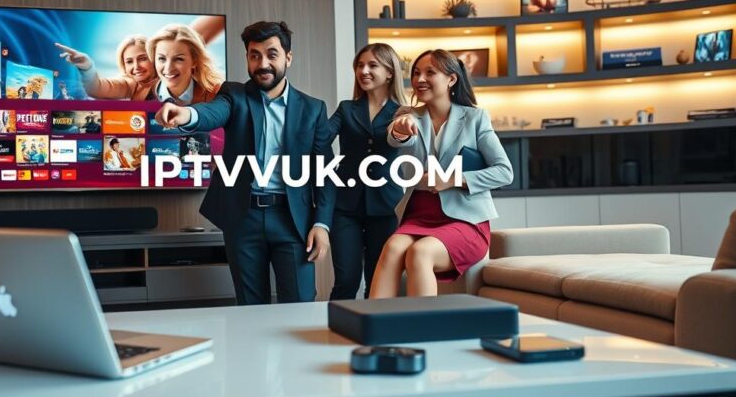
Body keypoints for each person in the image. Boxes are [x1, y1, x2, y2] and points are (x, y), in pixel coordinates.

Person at [155, 21, 335, 305]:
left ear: (288, 57)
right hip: (243, 217)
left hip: (292, 220)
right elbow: (212, 112)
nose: (263, 63)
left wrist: (322, 224)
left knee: (300, 303)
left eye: (271, 54)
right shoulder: (234, 95)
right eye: (254, 55)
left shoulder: (313, 109)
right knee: (250, 307)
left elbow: (324, 173)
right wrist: (185, 115)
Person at [369, 49, 513, 298]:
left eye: (429, 73)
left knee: (420, 253)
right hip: (419, 215)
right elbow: (395, 137)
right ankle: (371, 328)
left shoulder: (475, 118)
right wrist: (400, 130)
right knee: (392, 248)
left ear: (451, 79)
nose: (420, 79)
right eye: (415, 73)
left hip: (465, 221)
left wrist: (454, 179)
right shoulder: (408, 116)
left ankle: (423, 332)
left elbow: (504, 172)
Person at [326, 43, 407, 300]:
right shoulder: (346, 108)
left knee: (377, 282)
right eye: (360, 65)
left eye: (372, 65)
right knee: (346, 280)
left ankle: (375, 335)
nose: (364, 71)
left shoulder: (403, 113)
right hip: (344, 207)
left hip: (385, 207)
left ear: (390, 72)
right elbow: (320, 138)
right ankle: (336, 331)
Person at [57, 15, 225, 101]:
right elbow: (98, 88)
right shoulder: (131, 84)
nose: (136, 66)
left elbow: (196, 33)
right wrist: (87, 67)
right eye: (129, 61)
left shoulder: (174, 69)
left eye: (142, 58)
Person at [147, 24, 223, 105]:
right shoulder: (142, 94)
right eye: (162, 59)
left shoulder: (215, 95)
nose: (168, 68)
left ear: (194, 61)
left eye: (178, 59)